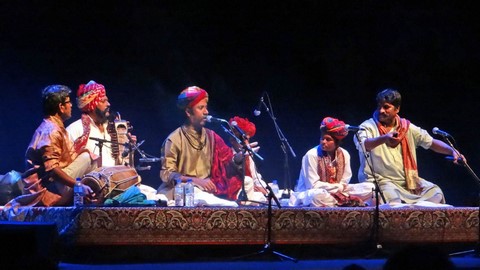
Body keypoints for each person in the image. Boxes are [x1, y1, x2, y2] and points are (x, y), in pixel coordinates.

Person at [353, 88, 464, 206]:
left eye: (386, 107)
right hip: (382, 182)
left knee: (436, 193)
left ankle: (414, 215)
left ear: (397, 109)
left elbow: (431, 143)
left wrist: (452, 151)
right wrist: (384, 138)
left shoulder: (407, 128)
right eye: (379, 106)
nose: (381, 110)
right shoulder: (367, 126)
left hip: (408, 182)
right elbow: (364, 144)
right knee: (390, 199)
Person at [157, 86, 251, 205]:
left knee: (247, 184)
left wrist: (238, 158)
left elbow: (227, 163)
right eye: (201, 108)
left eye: (206, 107)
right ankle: (227, 205)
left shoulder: (212, 136)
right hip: (182, 190)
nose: (206, 112)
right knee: (197, 193)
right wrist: (196, 181)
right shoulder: (174, 139)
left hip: (208, 189)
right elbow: (167, 174)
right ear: (188, 112)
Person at [8, 85, 97, 207]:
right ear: (61, 107)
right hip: (49, 188)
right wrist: (78, 185)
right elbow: (53, 171)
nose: (71, 105)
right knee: (88, 158)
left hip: (56, 183)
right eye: (68, 102)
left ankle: (90, 195)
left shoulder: (56, 127)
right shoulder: (51, 131)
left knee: (90, 158)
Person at [290, 117, 374, 207]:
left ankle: (338, 201)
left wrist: (339, 189)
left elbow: (345, 181)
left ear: (337, 142)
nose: (323, 142)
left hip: (339, 192)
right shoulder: (311, 155)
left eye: (328, 139)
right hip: (314, 192)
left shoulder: (345, 154)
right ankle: (343, 201)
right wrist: (338, 188)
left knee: (371, 188)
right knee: (317, 196)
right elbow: (313, 185)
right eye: (322, 138)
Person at [67, 80, 135, 167]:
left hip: (114, 178)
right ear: (92, 105)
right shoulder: (75, 129)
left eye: (107, 101)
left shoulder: (111, 129)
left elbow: (121, 163)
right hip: (90, 179)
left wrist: (128, 147)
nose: (108, 104)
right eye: (103, 101)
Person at [228, 116, 268, 204]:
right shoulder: (228, 154)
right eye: (242, 140)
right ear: (232, 140)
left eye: (247, 139)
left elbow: (255, 177)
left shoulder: (249, 156)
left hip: (251, 191)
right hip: (235, 194)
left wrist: (265, 189)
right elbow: (235, 162)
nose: (246, 142)